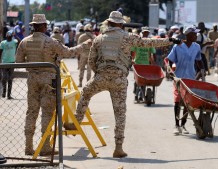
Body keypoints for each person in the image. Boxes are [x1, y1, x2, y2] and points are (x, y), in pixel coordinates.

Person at [63, 11, 179, 158]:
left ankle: (76, 121)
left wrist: (99, 73)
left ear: (109, 23)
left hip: (101, 76)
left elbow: (91, 61)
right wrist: (170, 40)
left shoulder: (99, 38)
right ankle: (118, 148)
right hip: (119, 79)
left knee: (85, 92)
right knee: (120, 113)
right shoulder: (128, 37)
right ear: (120, 23)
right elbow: (148, 42)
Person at [15, 14, 91, 156]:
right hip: (49, 80)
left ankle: (28, 146)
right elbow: (68, 52)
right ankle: (44, 146)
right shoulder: (51, 42)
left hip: (32, 79)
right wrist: (83, 46)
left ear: (33, 26)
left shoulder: (24, 42)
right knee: (47, 113)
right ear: (43, 26)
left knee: (31, 112)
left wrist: (33, 66)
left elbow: (18, 61)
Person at [166, 26, 204, 135]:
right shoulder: (178, 46)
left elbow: (198, 60)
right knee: (177, 100)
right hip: (178, 77)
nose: (196, 36)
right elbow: (170, 60)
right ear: (188, 35)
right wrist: (169, 70)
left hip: (191, 77)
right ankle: (176, 125)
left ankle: (183, 124)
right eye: (194, 34)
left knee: (188, 102)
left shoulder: (196, 47)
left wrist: (202, 70)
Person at [131, 27, 157, 101]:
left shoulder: (149, 43)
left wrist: (154, 62)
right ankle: (136, 92)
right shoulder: (137, 42)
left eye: (147, 33)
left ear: (148, 34)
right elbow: (133, 51)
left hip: (146, 64)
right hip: (137, 63)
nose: (146, 34)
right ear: (142, 33)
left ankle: (140, 95)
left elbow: (153, 52)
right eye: (144, 33)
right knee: (137, 80)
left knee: (144, 80)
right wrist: (132, 59)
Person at [0, 31, 18, 99]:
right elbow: (0, 52)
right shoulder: (3, 43)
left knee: (10, 79)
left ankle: (9, 95)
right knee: (4, 78)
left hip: (12, 62)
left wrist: (15, 35)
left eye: (10, 36)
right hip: (4, 62)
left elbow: (19, 41)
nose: (9, 37)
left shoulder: (14, 42)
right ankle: (4, 92)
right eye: (8, 35)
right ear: (6, 36)